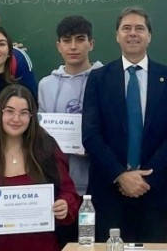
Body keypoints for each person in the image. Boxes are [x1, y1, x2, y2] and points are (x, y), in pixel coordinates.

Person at [82, 7, 167, 242]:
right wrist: (120, 175)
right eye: (126, 28)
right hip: (108, 188)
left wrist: (144, 178)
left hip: (154, 188)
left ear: (149, 36)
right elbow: (90, 134)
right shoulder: (99, 78)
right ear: (117, 35)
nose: (133, 33)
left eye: (139, 28)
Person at [0, 85, 79, 251]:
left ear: (32, 117)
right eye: (9, 111)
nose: (16, 118)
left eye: (24, 113)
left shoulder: (47, 148)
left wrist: (64, 205)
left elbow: (69, 193)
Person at [37, 15, 103, 245]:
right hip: (60, 186)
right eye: (66, 40)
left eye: (80, 39)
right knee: (64, 244)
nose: (73, 46)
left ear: (91, 43)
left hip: (97, 183)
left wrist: (93, 145)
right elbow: (41, 135)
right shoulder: (46, 84)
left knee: (91, 243)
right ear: (58, 45)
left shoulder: (105, 79)